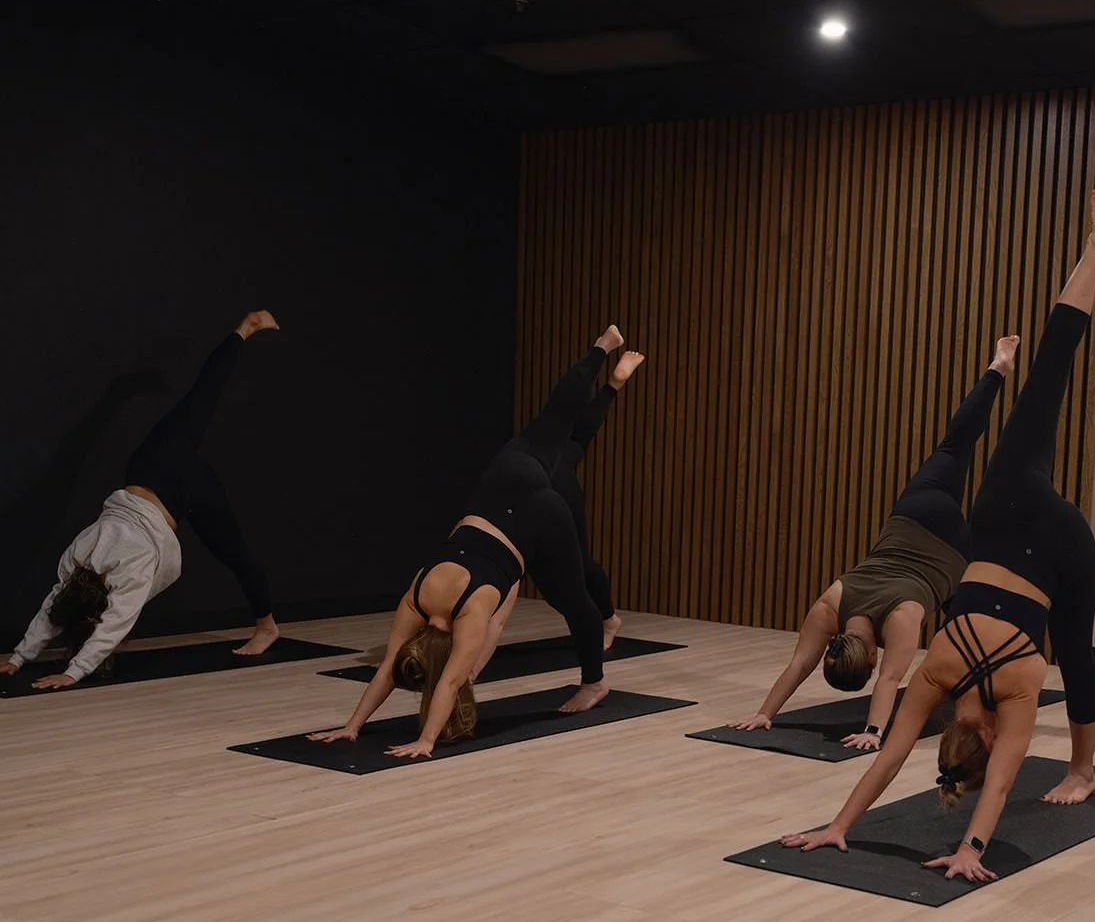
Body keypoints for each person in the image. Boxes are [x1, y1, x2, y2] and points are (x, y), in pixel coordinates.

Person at [782, 180, 1095, 882]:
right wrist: (836, 825)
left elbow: (999, 783)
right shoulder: (935, 671)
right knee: (1047, 378)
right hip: (1000, 515)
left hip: (1062, 545)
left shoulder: (1021, 683)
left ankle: (1083, 770)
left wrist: (971, 848)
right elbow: (889, 754)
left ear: (986, 736)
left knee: (1077, 655)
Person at [310, 327, 634, 760]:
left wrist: (419, 738)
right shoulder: (417, 595)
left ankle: (595, 682)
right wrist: (354, 727)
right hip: (504, 484)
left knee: (573, 599)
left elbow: (453, 673)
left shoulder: (470, 610)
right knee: (556, 423)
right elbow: (396, 667)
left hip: (537, 512)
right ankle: (602, 350)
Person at [729, 335, 1019, 749]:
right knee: (956, 442)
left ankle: (990, 701)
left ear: (869, 655)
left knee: (971, 628)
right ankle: (997, 369)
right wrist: (765, 711)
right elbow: (800, 664)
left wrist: (873, 732)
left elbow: (890, 679)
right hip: (914, 513)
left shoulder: (899, 619)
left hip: (954, 552)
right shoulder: (830, 606)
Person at [2, 313, 280, 689]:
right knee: (202, 395)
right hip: (149, 465)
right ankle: (245, 328)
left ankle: (267, 627)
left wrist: (71, 671)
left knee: (236, 554)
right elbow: (53, 605)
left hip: (184, 489)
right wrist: (18, 658)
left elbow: (112, 622)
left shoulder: (129, 576)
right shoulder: (76, 560)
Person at [545, 347, 644, 655]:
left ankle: (607, 619)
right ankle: (599, 619)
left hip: (556, 487)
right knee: (551, 575)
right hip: (543, 481)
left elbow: (581, 430)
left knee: (579, 563)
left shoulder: (557, 449)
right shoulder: (551, 436)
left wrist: (613, 384)